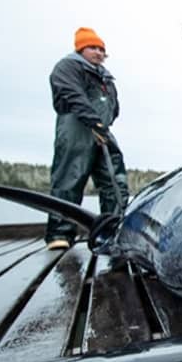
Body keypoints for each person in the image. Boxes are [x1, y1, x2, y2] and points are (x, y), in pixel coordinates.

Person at [45, 27, 129, 250]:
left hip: (103, 131)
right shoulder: (68, 67)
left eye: (102, 49)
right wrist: (93, 122)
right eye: (93, 48)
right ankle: (59, 234)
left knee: (115, 181)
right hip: (77, 128)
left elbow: (113, 105)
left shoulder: (105, 77)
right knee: (69, 179)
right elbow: (72, 95)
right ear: (81, 48)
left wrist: (104, 125)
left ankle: (115, 229)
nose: (99, 53)